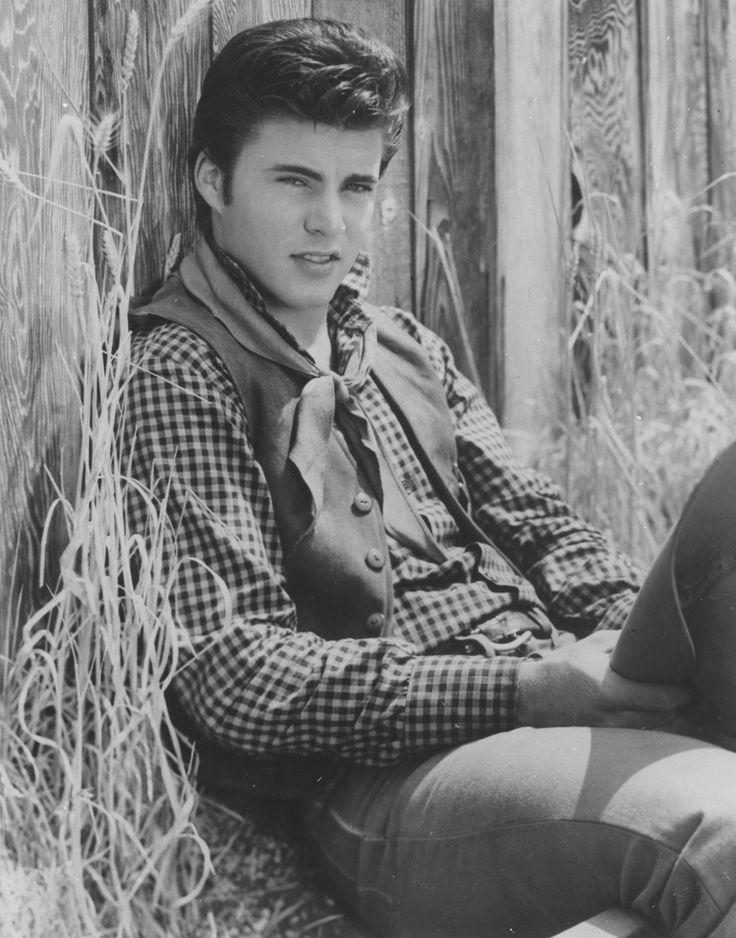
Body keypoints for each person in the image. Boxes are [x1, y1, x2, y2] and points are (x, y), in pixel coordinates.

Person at [122, 17, 736, 938]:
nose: (331, 222)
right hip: (391, 785)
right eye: (295, 182)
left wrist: (632, 649)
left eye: (357, 185)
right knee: (722, 833)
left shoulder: (402, 343)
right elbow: (232, 675)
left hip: (552, 723)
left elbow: (544, 527)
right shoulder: (182, 368)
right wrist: (527, 688)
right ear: (214, 181)